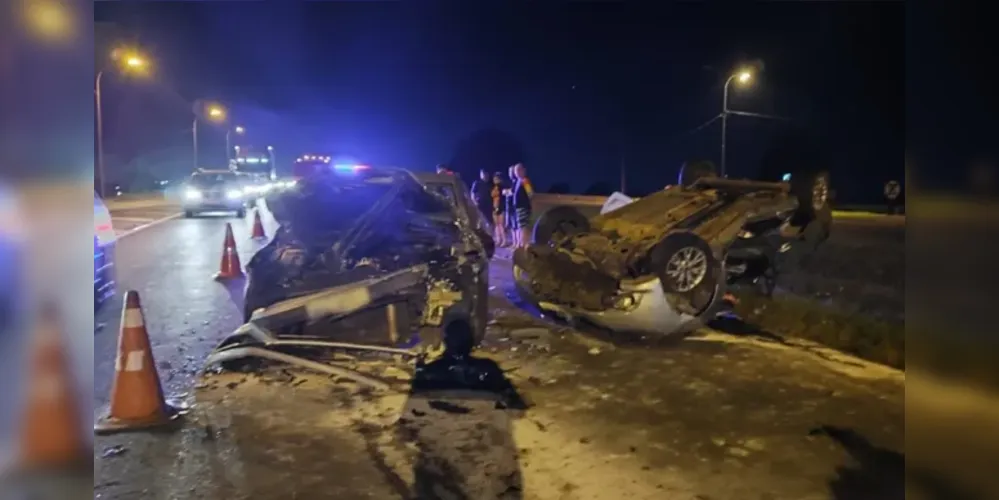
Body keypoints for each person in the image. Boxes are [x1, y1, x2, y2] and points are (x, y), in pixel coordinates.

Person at [512, 163, 534, 248]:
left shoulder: (525, 180)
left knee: (524, 227)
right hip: (518, 209)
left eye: (518, 170)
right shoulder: (518, 181)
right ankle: (523, 244)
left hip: (524, 208)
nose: (516, 172)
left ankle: (525, 245)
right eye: (515, 171)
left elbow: (530, 193)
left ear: (522, 170)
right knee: (521, 227)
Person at [490, 172, 508, 247]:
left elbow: (503, 197)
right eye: (494, 178)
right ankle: (498, 239)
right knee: (497, 225)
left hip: (501, 207)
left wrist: (500, 207)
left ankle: (504, 240)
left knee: (501, 225)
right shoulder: (494, 187)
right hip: (494, 207)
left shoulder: (502, 187)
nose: (495, 180)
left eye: (497, 178)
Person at [504, 165, 519, 246]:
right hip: (509, 207)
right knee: (511, 227)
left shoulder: (517, 181)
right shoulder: (510, 182)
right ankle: (514, 242)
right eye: (509, 172)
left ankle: (517, 243)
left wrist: (507, 192)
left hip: (514, 207)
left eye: (512, 171)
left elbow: (512, 192)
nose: (510, 173)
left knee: (515, 226)